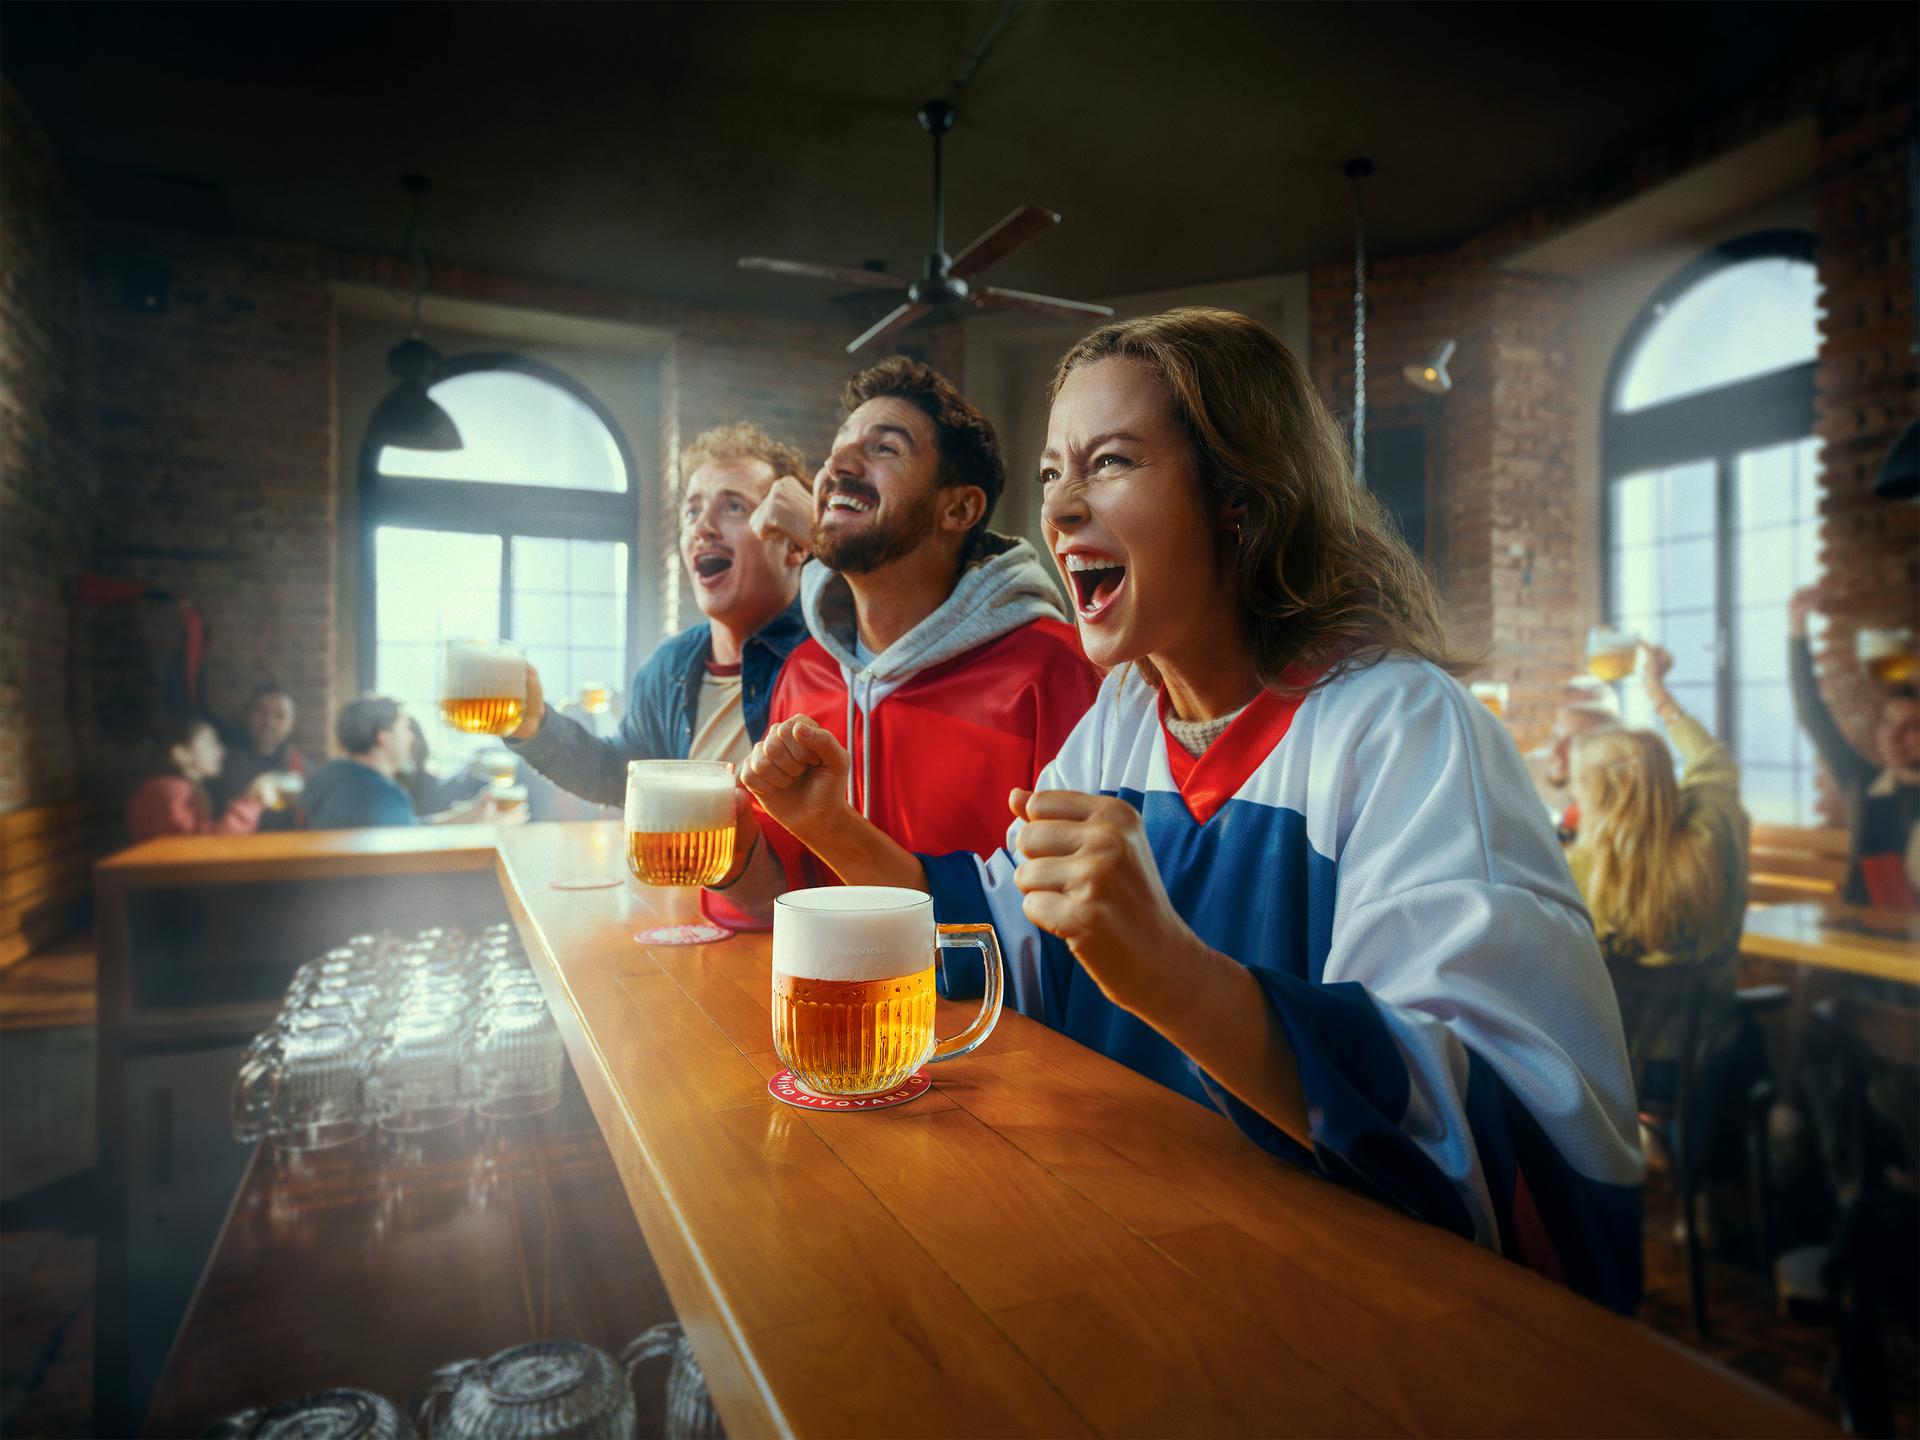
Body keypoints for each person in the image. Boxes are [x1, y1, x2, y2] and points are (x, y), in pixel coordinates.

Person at [744, 308, 1642, 1311]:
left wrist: (1169, 974)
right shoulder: (1124, 718)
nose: (1061, 510)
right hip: (1137, 1265)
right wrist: (832, 823)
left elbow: (1508, 1148)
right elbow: (994, 944)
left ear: (1239, 498)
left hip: (1338, 1321)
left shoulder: (1403, 727)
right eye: (1050, 475)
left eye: (1112, 463)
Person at [716, 357, 1100, 913]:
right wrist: (731, 848)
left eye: (884, 449)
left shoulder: (1054, 671)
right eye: (837, 448)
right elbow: (785, 897)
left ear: (959, 507)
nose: (837, 465)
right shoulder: (803, 671)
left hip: (990, 1002)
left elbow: (1063, 926)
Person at [507, 422, 813, 801]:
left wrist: (823, 532)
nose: (703, 527)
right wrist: (536, 726)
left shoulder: (839, 655)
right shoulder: (669, 666)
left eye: (734, 507)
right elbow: (621, 776)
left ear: (796, 546)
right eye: (692, 511)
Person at [1567, 645, 1749, 974]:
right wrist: (1656, 689)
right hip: (1711, 1021)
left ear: (1593, 793)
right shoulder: (1709, 839)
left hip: (1613, 1026)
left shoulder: (1573, 874)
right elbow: (1713, 762)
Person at [1788, 586, 1920, 909]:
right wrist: (1797, 628)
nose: (1894, 737)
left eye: (1911, 728)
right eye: (1888, 724)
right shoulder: (1862, 780)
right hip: (1860, 940)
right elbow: (1811, 713)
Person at [306, 698, 499, 829]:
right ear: (384, 737)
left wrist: (470, 814)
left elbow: (410, 828)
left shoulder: (334, 777)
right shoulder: (375, 794)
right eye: (405, 728)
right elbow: (411, 843)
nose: (411, 737)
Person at [127, 715, 276, 840]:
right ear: (181, 754)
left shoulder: (177, 788)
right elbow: (205, 845)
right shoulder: (169, 790)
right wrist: (251, 800)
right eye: (210, 742)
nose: (221, 750)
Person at [1524, 677, 1620, 827]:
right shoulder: (1526, 768)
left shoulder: (1617, 793)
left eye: (1577, 742)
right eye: (1555, 736)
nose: (1557, 751)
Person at [210, 683, 309, 830]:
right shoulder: (220, 763)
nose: (269, 722)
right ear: (247, 716)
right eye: (261, 712)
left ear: (291, 724)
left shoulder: (302, 767)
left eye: (279, 715)